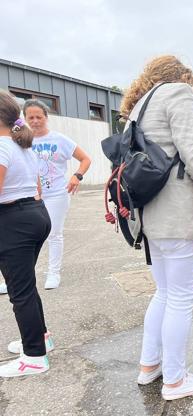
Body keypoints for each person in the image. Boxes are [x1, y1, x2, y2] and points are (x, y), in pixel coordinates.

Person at [121, 55, 193, 401]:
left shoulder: (139, 107)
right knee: (181, 298)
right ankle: (175, 381)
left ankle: (149, 366)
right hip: (179, 216)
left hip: (152, 217)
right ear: (183, 76)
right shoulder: (178, 93)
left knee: (165, 293)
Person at [0, 90, 53, 377]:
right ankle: (40, 336)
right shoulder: (21, 145)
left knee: (20, 291)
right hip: (35, 214)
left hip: (13, 222)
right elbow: (36, 186)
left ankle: (34, 356)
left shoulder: (1, 146)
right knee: (26, 285)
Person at [23, 99, 92, 290]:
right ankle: (20, 276)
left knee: (54, 234)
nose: (35, 121)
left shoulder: (59, 139)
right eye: (31, 117)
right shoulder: (22, 139)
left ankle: (53, 272)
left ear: (46, 117)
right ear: (25, 118)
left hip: (56, 194)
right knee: (27, 237)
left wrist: (77, 176)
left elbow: (85, 159)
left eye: (39, 117)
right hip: (30, 195)